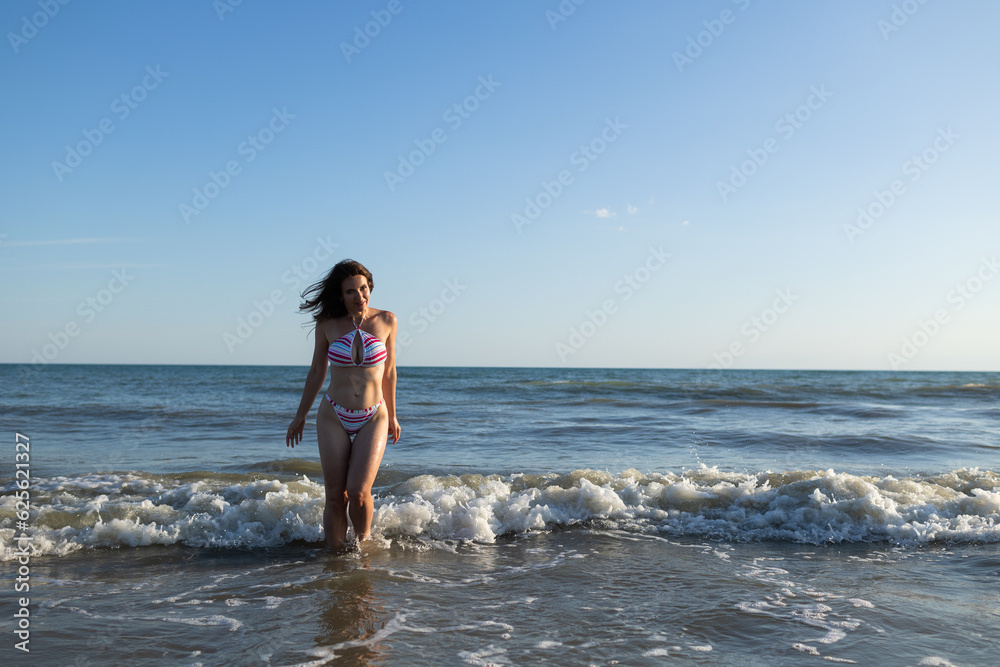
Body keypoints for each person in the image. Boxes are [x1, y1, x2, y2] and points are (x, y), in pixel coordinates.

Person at [286, 259, 400, 550]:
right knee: (336, 495)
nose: (359, 296)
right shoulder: (327, 324)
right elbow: (316, 372)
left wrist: (394, 416)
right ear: (340, 295)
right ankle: (334, 558)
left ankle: (362, 553)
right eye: (350, 291)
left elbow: (389, 372)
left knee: (359, 492)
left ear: (370, 288)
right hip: (333, 415)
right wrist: (300, 415)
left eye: (363, 289)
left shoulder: (387, 320)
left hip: (374, 415)